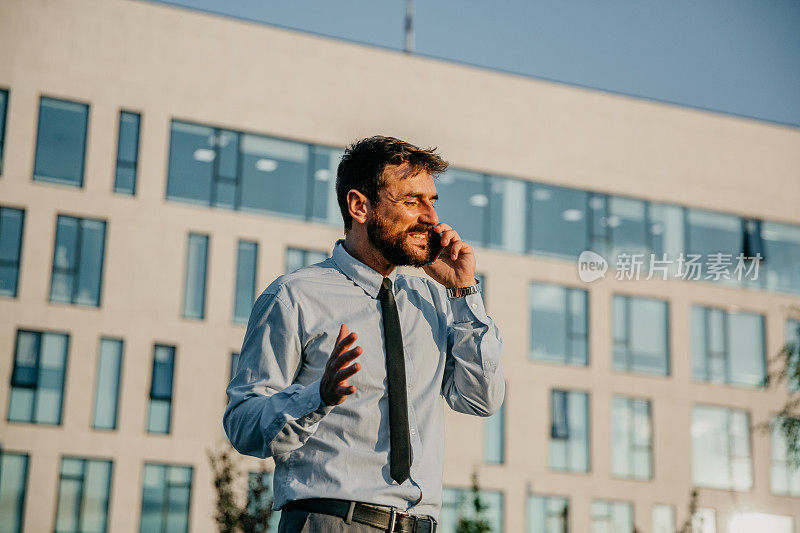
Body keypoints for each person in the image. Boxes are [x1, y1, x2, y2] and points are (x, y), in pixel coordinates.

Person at [224, 136, 504, 533]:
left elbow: (481, 399)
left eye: (432, 201)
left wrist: (464, 291)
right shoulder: (294, 296)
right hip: (330, 521)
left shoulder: (434, 300)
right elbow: (241, 424)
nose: (431, 218)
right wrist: (316, 397)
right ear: (360, 206)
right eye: (411, 202)